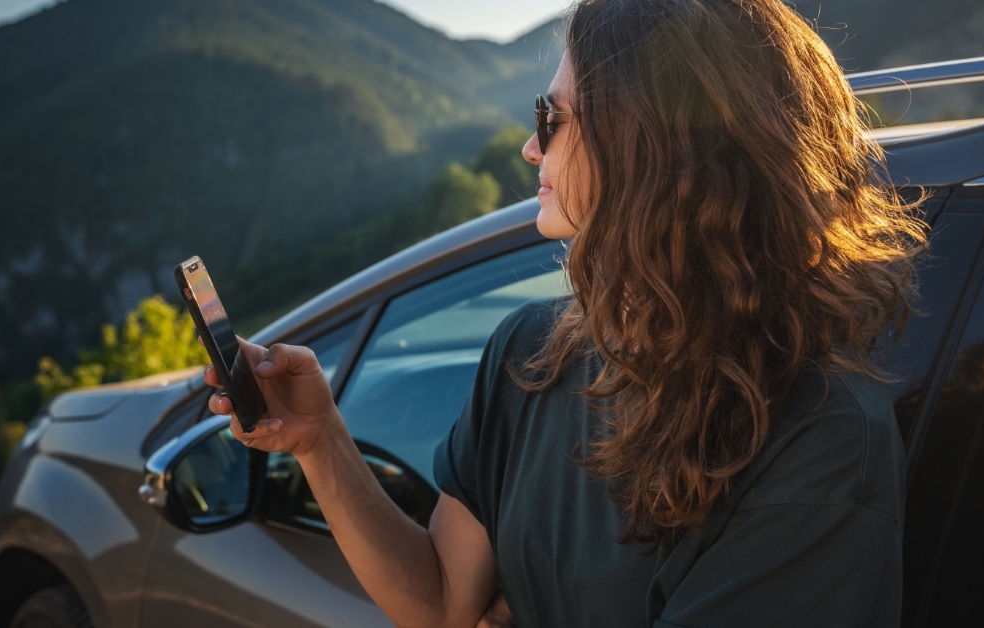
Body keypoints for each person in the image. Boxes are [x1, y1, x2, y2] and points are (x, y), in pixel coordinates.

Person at [204, 0, 928, 625]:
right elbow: (444, 602)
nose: (528, 146)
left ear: (651, 145)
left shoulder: (822, 442)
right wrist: (321, 440)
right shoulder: (530, 356)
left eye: (550, 118)